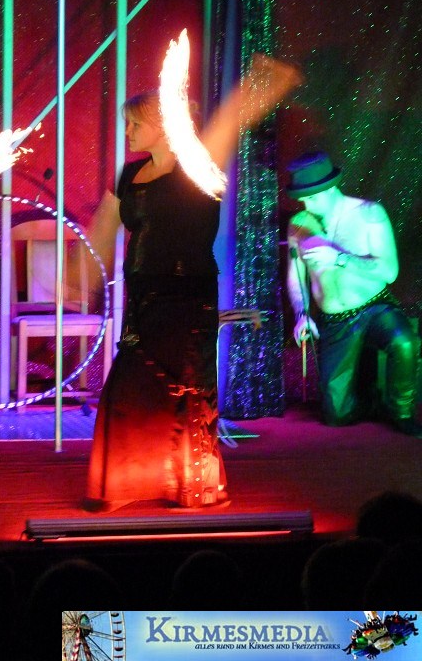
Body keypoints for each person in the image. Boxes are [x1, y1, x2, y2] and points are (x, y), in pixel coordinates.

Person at [82, 45, 303, 511]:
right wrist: (79, 272)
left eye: (134, 123)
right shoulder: (129, 175)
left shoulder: (199, 162)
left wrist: (265, 82)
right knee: (129, 389)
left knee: (186, 394)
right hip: (143, 299)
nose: (127, 132)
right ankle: (123, 484)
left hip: (187, 300)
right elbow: (103, 228)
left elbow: (230, 120)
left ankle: (190, 488)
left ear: (165, 125)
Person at [286, 150, 421, 435]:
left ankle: (401, 411)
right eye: (302, 198)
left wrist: (339, 258)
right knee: (337, 415)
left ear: (330, 188)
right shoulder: (298, 224)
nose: (305, 204)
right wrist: (302, 314)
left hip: (374, 307)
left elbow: (389, 271)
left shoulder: (369, 214)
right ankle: (368, 395)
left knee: (404, 342)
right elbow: (296, 275)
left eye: (311, 197)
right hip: (335, 320)